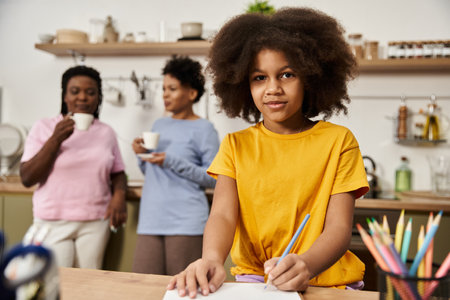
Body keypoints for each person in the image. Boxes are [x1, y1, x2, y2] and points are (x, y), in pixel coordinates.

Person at [167, 7, 370, 298]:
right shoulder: (236, 145)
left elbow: (339, 227)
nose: (272, 88)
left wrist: (306, 265)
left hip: (325, 283)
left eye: (287, 75)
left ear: (311, 78)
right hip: (257, 281)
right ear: (241, 83)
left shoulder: (338, 142)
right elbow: (223, 214)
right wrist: (211, 258)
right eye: (259, 78)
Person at [20, 65, 127, 269]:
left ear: (98, 98)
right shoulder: (44, 127)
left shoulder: (106, 132)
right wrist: (56, 138)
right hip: (52, 220)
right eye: (75, 91)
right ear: (65, 96)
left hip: (96, 220)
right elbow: (27, 178)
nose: (83, 98)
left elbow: (118, 172)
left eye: (90, 92)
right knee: (57, 282)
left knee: (88, 283)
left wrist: (119, 196)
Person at [131, 55, 220, 275]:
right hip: (151, 218)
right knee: (142, 289)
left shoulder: (204, 128)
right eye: (163, 89)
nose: (165, 95)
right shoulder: (159, 124)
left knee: (183, 292)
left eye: (172, 89)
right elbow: (150, 171)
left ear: (191, 93)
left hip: (186, 222)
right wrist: (141, 155)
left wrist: (171, 161)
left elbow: (214, 178)